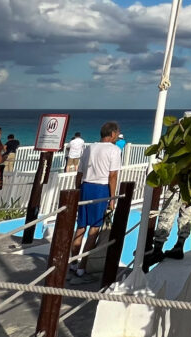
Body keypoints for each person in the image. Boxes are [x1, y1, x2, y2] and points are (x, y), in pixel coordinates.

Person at [143, 112, 191, 271]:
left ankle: (158, 249)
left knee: (168, 213)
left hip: (176, 181)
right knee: (187, 215)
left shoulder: (175, 139)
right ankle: (178, 246)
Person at [70, 121, 121, 282]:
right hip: (101, 189)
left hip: (86, 186)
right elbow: (113, 176)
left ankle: (73, 261)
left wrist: (78, 189)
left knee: (81, 226)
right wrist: (112, 198)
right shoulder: (114, 150)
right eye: (117, 133)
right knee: (94, 229)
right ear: (112, 134)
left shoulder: (89, 148)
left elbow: (80, 171)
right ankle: (82, 266)